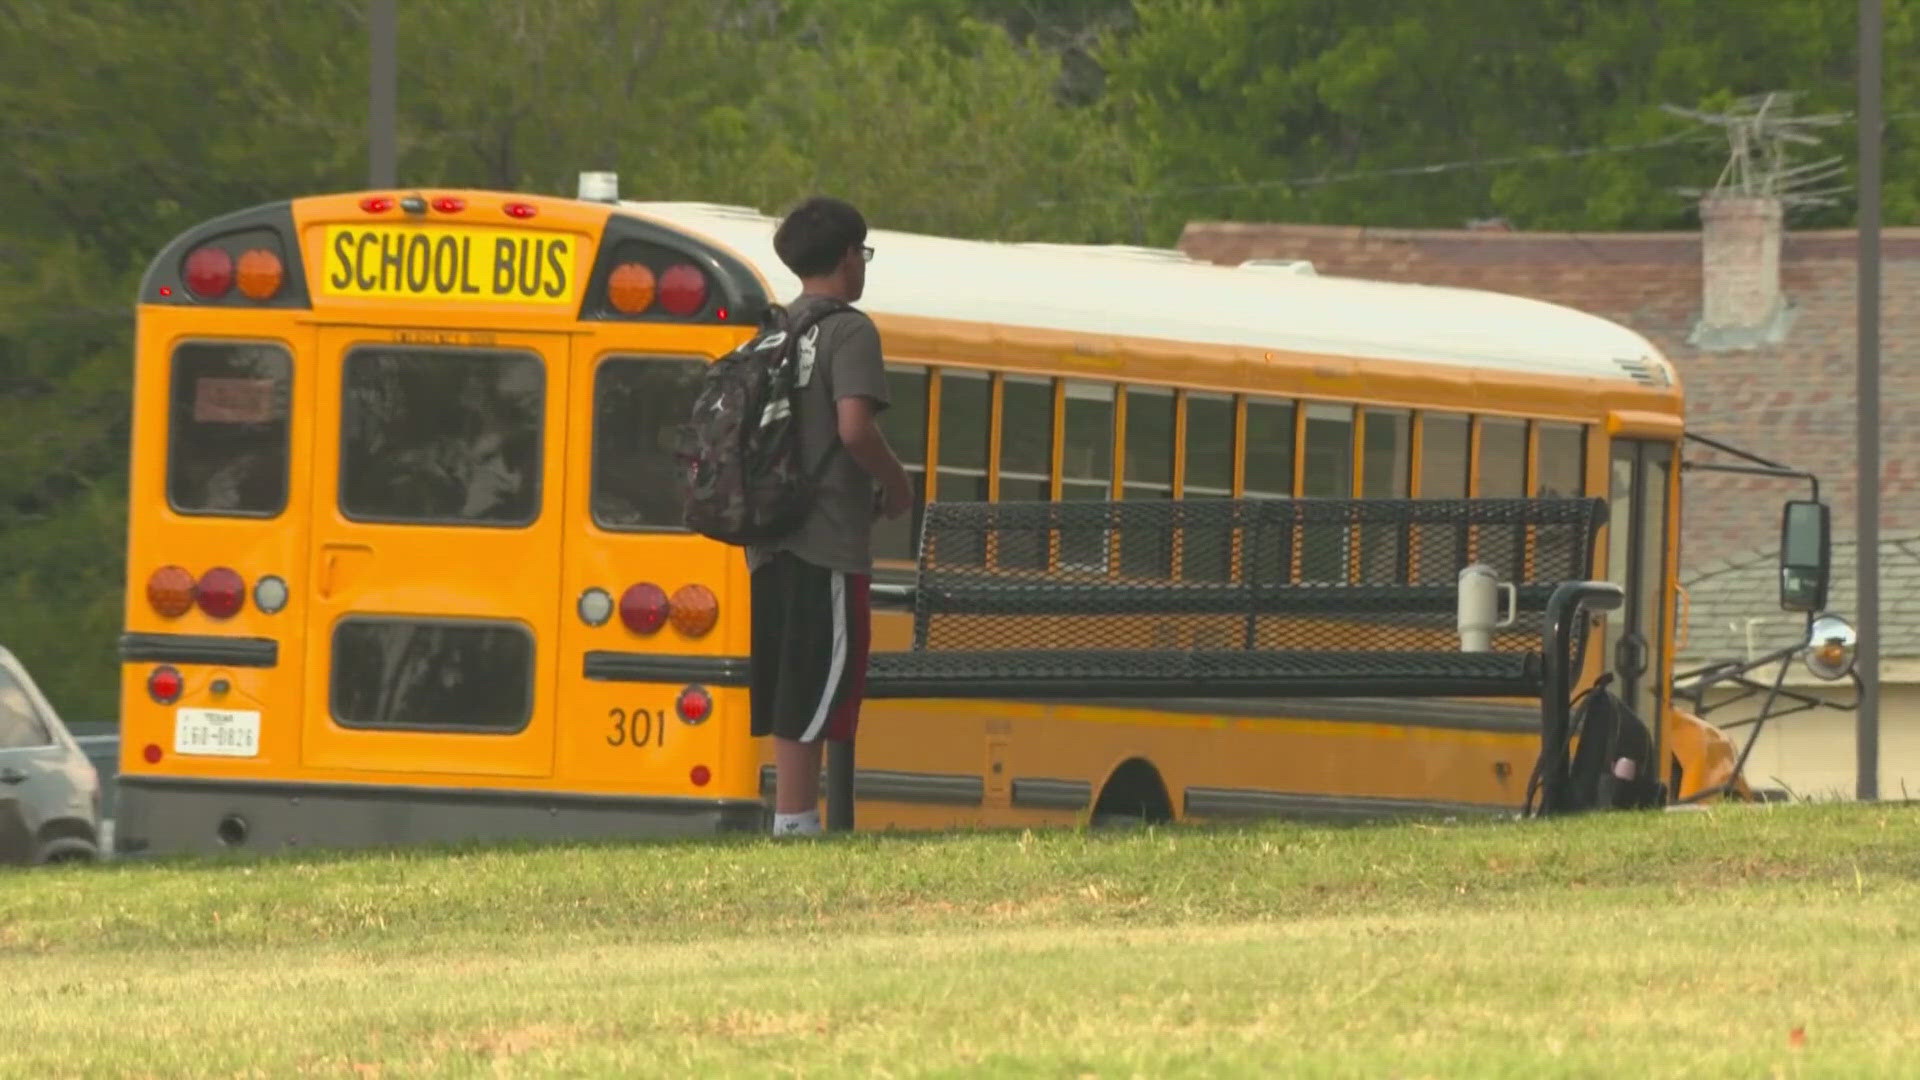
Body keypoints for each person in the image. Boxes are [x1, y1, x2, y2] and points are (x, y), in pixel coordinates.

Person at [748, 196, 913, 838]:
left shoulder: (772, 329)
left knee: (794, 676)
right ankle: (796, 821)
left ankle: (793, 817)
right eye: (862, 254)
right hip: (827, 539)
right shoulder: (849, 330)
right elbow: (853, 427)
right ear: (848, 258)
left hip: (768, 537)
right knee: (824, 679)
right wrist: (897, 485)